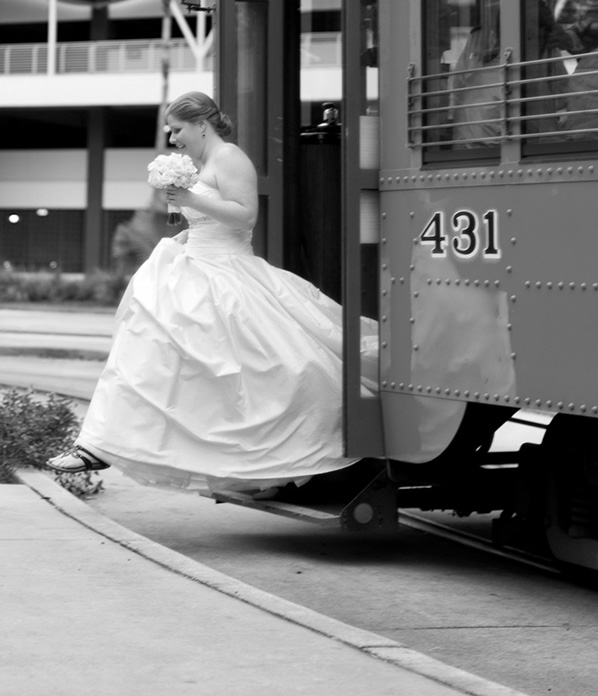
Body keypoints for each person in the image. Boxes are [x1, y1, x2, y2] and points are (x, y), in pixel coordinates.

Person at [47, 91, 375, 495]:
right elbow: (211, 221)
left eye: (177, 129)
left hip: (228, 274)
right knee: (147, 347)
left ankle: (106, 446)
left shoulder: (231, 158)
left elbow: (245, 215)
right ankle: (99, 443)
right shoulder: (205, 164)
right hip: (195, 268)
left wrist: (187, 199)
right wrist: (188, 227)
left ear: (201, 124)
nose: (173, 139)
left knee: (266, 369)